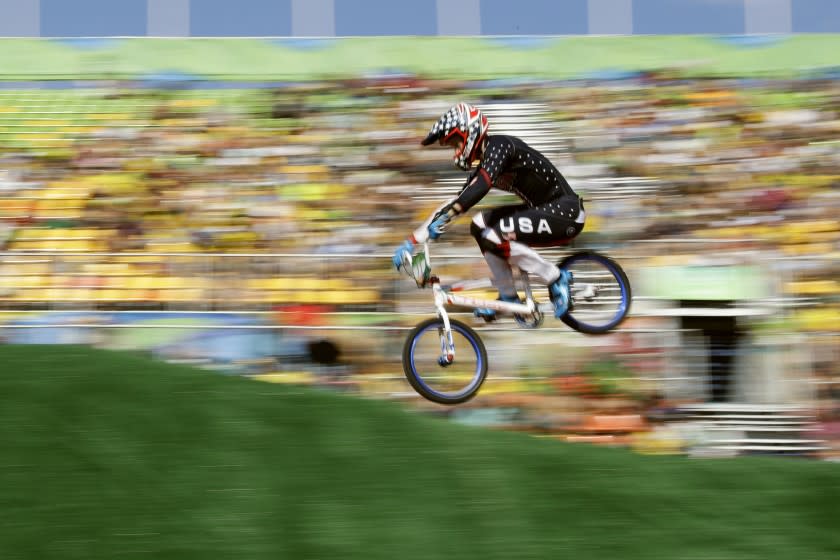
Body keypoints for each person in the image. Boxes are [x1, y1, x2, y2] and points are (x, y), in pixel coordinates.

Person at [392, 102, 586, 319]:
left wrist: (450, 215)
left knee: (495, 234)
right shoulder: (485, 163)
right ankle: (508, 297)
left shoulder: (500, 146)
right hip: (543, 210)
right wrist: (412, 241)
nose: (456, 151)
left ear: (469, 131)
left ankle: (555, 277)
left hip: (565, 212)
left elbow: (481, 187)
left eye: (455, 143)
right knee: (479, 224)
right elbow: (456, 200)